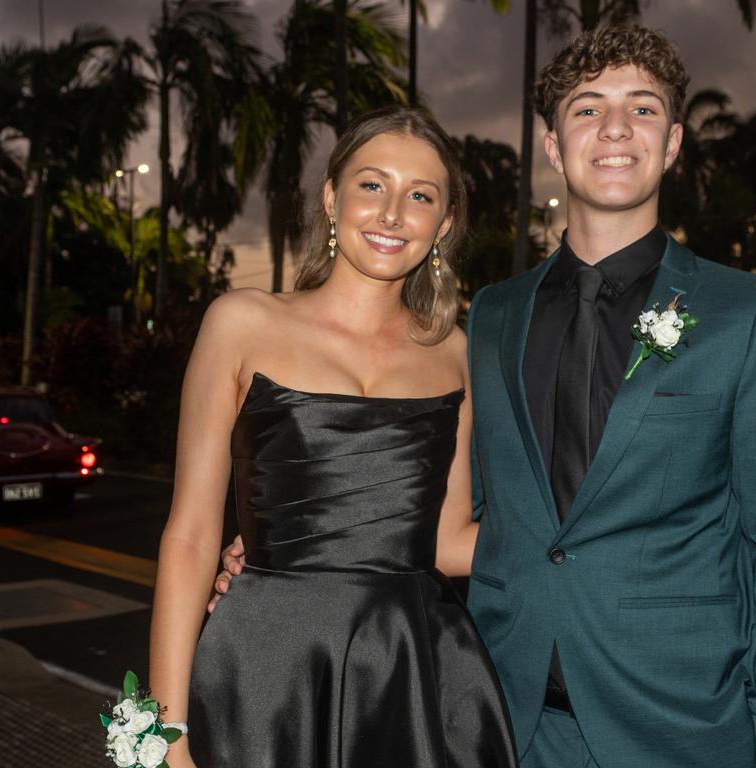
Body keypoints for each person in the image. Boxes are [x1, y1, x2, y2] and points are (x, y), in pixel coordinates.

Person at [216, 25, 756, 768]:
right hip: (506, 725)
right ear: (552, 145)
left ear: (671, 143)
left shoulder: (752, 314)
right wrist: (293, 542)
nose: (614, 128)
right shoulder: (490, 322)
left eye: (641, 109)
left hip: (687, 730)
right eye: (586, 109)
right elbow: (441, 510)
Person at [150, 106, 517, 768]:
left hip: (410, 673)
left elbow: (447, 540)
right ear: (331, 196)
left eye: (421, 196)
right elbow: (191, 536)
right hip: (265, 667)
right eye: (372, 185)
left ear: (445, 224)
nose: (391, 212)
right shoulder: (240, 323)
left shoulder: (456, 353)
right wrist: (165, 737)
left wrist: (586, 536)